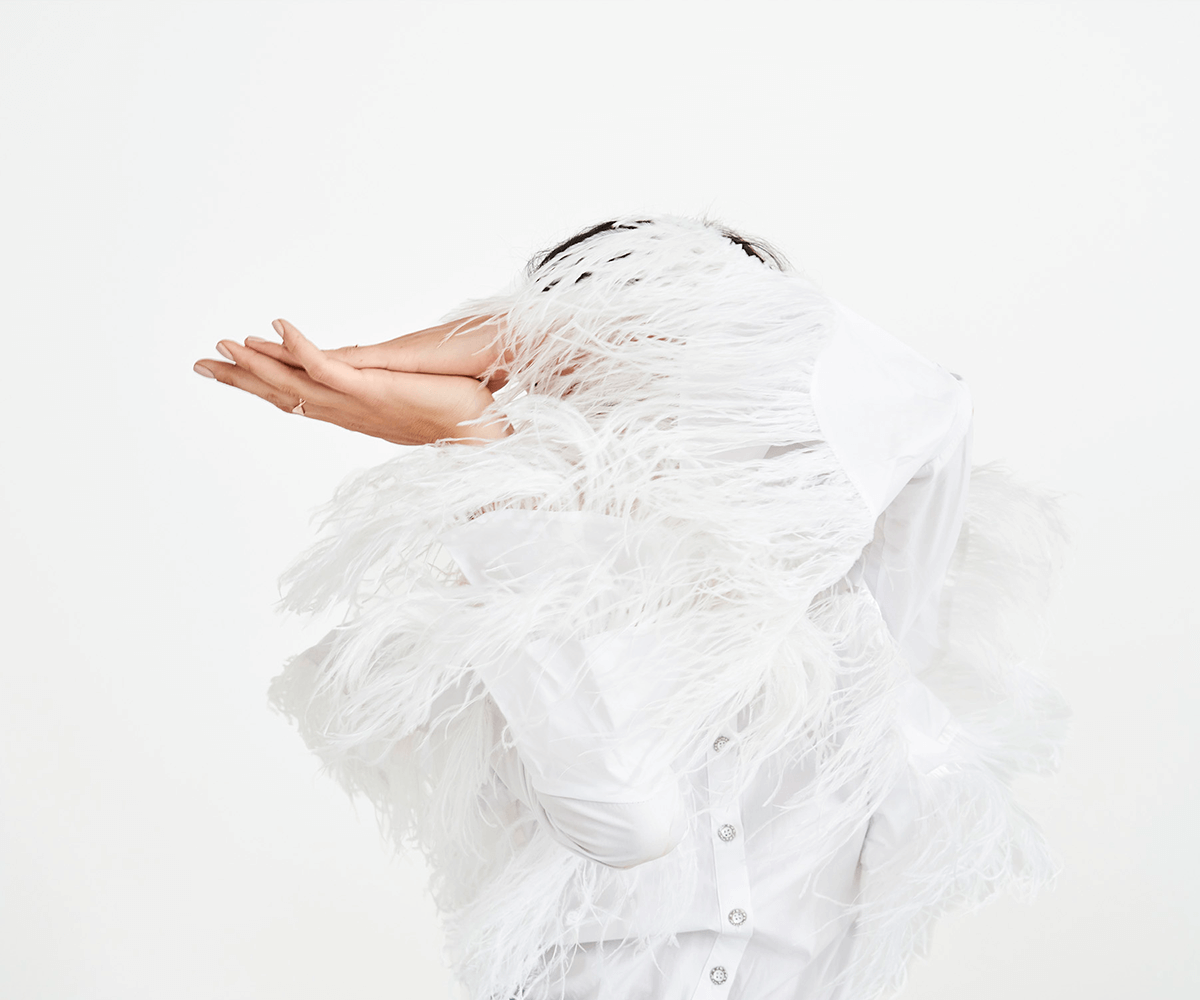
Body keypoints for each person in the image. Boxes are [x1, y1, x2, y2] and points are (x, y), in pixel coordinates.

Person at [194, 216, 1068, 1000]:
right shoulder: (509, 580)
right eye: (610, 371)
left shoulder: (857, 600)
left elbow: (933, 408)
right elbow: (623, 815)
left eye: (691, 361)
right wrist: (481, 442)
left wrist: (533, 334)